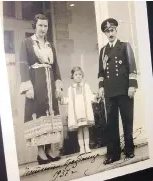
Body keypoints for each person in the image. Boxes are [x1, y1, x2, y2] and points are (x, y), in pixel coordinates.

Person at [19, 14, 63, 165]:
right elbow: (23, 66)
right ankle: (40, 153)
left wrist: (58, 84)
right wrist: (27, 87)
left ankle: (50, 150)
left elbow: (55, 66)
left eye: (45, 26)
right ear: (35, 26)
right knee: (38, 115)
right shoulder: (26, 43)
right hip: (36, 83)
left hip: (50, 83)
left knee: (50, 115)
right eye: (40, 25)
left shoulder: (50, 46)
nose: (43, 29)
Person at [98, 18, 138, 164]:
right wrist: (101, 87)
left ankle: (129, 150)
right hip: (109, 93)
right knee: (112, 125)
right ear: (104, 33)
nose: (110, 33)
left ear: (116, 30)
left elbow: (132, 67)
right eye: (107, 31)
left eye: (112, 30)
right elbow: (100, 72)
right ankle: (113, 154)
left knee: (127, 121)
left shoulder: (124, 46)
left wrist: (132, 85)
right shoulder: (103, 51)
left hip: (124, 90)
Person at [60, 66, 97, 154]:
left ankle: (87, 147)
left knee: (85, 128)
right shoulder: (70, 89)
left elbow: (90, 96)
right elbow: (67, 100)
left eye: (80, 74)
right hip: (77, 113)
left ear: (82, 75)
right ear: (72, 76)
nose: (78, 76)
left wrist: (96, 96)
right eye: (76, 74)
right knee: (79, 130)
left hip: (85, 112)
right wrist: (61, 99)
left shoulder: (86, 86)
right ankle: (82, 148)